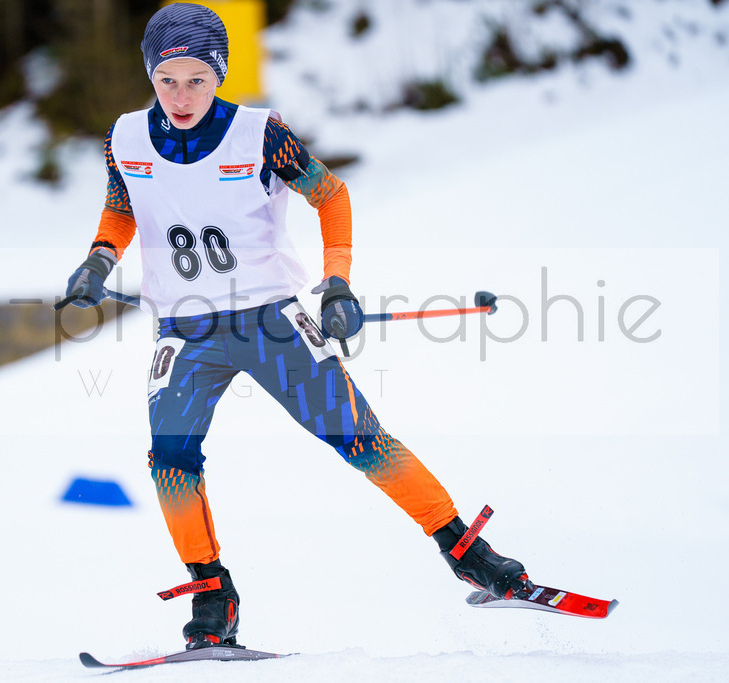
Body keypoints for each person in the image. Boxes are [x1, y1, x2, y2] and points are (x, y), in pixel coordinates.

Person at [62, 2, 531, 650]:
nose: (181, 95)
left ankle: (467, 552)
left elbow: (329, 194)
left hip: (269, 319)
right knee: (170, 457)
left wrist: (336, 281)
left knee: (359, 437)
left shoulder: (260, 133)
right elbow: (122, 208)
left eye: (197, 78)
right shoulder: (125, 137)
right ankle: (211, 595)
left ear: (219, 74)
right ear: (150, 75)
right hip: (185, 329)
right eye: (167, 79)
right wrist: (97, 260)